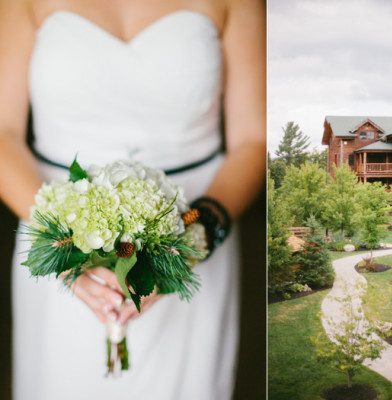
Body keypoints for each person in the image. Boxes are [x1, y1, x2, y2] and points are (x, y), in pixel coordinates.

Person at [0, 0, 265, 399]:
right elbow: (2, 131)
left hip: (193, 223)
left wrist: (188, 242)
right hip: (51, 221)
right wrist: (66, 251)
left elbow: (253, 138)